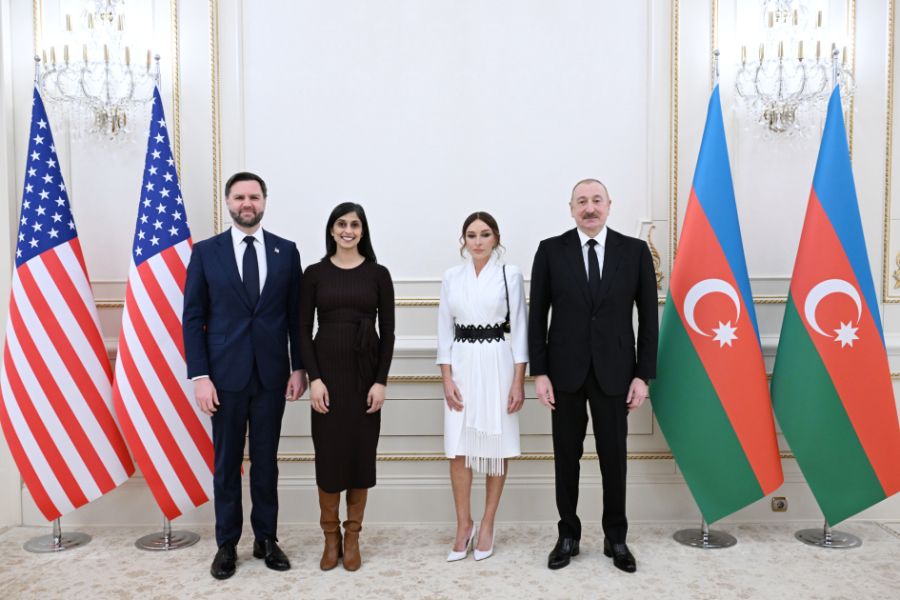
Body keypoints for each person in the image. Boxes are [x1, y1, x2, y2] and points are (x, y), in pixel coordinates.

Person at [529, 179, 658, 573]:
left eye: (596, 200)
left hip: (616, 374)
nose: (590, 208)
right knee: (566, 459)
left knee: (614, 459)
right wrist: (540, 372)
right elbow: (537, 317)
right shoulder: (550, 251)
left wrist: (643, 376)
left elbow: (649, 319)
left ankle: (616, 537)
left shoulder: (634, 252)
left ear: (609, 205)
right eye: (582, 201)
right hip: (563, 374)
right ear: (571, 208)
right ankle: (567, 535)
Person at [183, 171, 307, 580]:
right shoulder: (206, 253)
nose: (247, 203)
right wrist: (200, 376)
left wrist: (299, 367)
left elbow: (295, 317)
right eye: (239, 197)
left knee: (266, 463)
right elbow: (193, 318)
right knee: (226, 464)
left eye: (254, 196)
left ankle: (266, 539)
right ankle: (226, 544)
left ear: (265, 201)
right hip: (223, 378)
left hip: (272, 376)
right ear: (228, 202)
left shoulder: (286, 252)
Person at [299, 202, 395, 572]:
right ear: (331, 229)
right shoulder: (314, 274)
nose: (348, 230)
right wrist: (315, 379)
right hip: (327, 377)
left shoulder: (378, 274)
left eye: (355, 224)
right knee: (329, 457)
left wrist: (380, 381)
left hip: (365, 376)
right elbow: (302, 331)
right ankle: (330, 537)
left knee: (360, 456)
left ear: (362, 231)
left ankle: (352, 536)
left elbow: (388, 333)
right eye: (341, 224)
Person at [436, 212, 528, 562]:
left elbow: (519, 329)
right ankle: (464, 525)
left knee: (495, 445)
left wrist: (518, 381)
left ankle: (488, 523)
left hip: (497, 364)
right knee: (459, 447)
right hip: (461, 364)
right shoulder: (452, 277)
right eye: (471, 235)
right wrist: (446, 378)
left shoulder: (509, 274)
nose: (478, 241)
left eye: (485, 234)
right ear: (464, 241)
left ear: (496, 238)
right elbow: (444, 329)